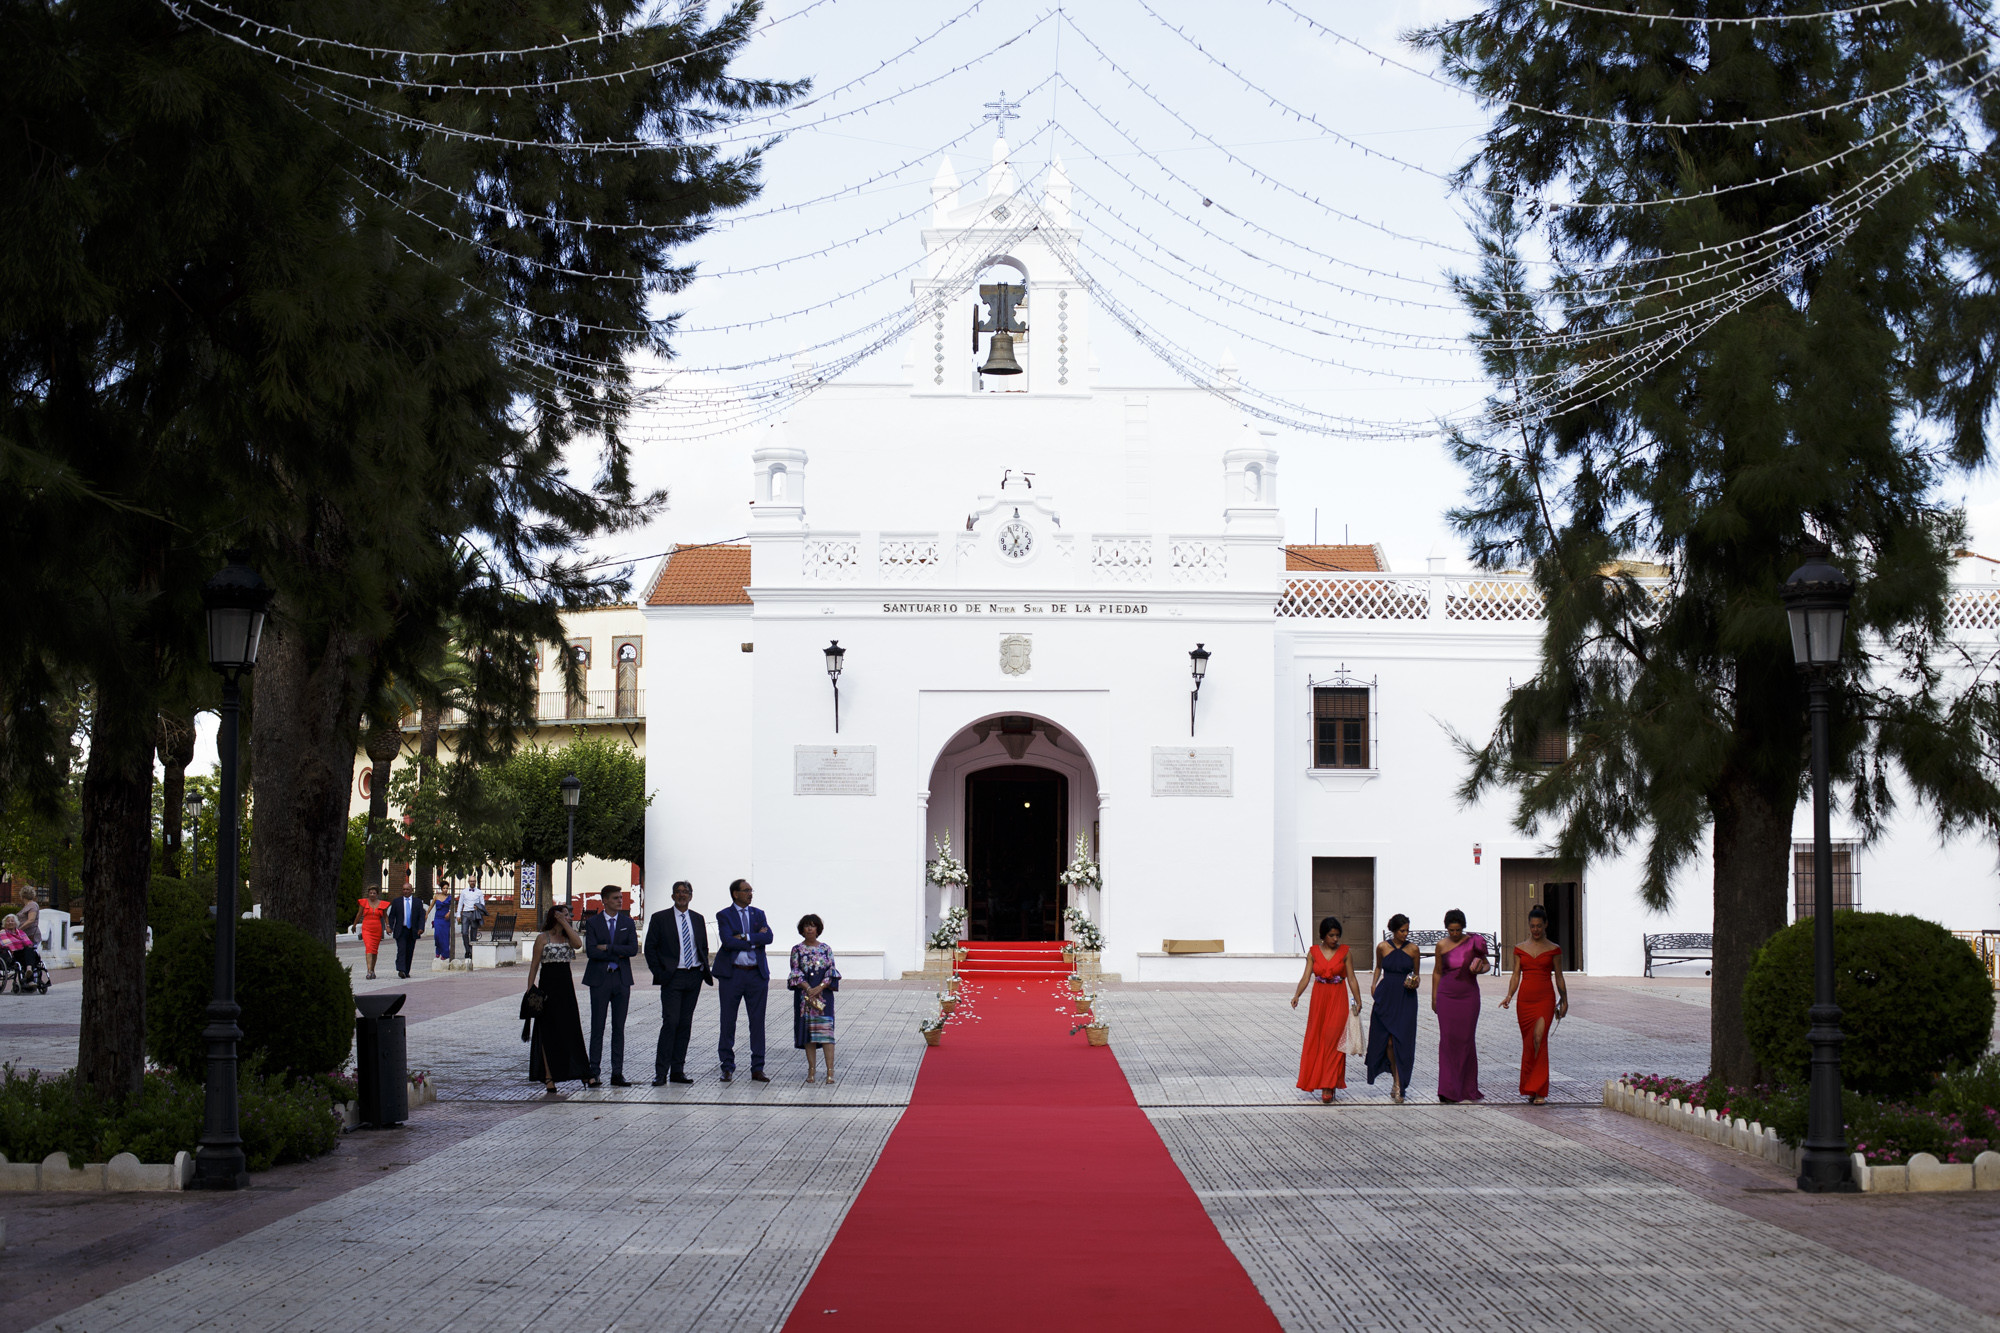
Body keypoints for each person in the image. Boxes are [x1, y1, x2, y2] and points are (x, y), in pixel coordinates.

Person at [644, 880, 712, 1085]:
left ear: (691, 896)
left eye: (686, 892)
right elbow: (650, 948)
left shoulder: (698, 919)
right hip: (672, 977)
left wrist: (701, 969)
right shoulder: (660, 918)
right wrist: (661, 972)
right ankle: (661, 1072)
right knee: (671, 1022)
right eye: (678, 892)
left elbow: (703, 946)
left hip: (694, 976)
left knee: (685, 1024)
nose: (682, 895)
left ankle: (677, 1070)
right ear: (672, 896)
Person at [1500, 904, 1569, 1104]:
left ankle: (1540, 1089)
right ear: (1529, 926)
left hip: (1545, 999)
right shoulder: (1520, 949)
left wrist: (1565, 1000)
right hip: (1525, 1001)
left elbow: (1560, 978)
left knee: (1540, 1038)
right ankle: (1530, 1087)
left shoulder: (1554, 949)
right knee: (1529, 1043)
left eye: (1539, 926)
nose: (1536, 930)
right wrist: (1509, 995)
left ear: (1545, 925)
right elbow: (1515, 975)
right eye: (1532, 926)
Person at [1290, 916, 1362, 1103]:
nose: (1335, 939)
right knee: (1319, 1039)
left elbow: (1352, 978)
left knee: (1334, 1040)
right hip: (1319, 998)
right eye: (1331, 935)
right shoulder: (1313, 952)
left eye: (1337, 935)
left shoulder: (1345, 952)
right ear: (1323, 935)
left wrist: (1358, 999)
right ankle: (1322, 1081)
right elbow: (1306, 977)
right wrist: (1297, 995)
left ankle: (1329, 1085)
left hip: (1338, 997)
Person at [526, 903, 593, 1092]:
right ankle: (548, 1076)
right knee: (547, 1031)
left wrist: (565, 924)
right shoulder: (542, 938)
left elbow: (578, 944)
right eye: (565, 915)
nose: (569, 917)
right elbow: (534, 966)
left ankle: (583, 1072)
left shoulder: (567, 937)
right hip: (548, 988)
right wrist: (530, 990)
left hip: (566, 988)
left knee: (572, 1029)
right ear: (555, 916)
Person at [713, 878, 774, 1084]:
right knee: (728, 1021)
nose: (750, 893)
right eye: (746, 890)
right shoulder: (724, 915)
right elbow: (728, 941)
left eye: (751, 890)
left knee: (757, 1022)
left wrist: (745, 937)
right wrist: (754, 937)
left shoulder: (759, 914)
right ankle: (727, 1066)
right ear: (735, 894)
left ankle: (758, 1068)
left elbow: (769, 938)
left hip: (756, 974)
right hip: (733, 974)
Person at [583, 887, 640, 1086]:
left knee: (619, 1027)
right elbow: (591, 951)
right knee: (597, 1026)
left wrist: (608, 948)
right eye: (615, 898)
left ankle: (617, 1073)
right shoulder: (593, 923)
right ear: (604, 900)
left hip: (622, 979)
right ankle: (594, 1071)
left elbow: (633, 949)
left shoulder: (627, 922)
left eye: (621, 898)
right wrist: (618, 953)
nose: (620, 901)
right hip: (600, 979)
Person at [1432, 908, 1489, 1104]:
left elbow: (1487, 964)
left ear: (1463, 927)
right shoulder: (1441, 945)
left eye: (1457, 930)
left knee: (1466, 1040)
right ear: (1446, 928)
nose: (1454, 934)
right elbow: (1437, 972)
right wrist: (1434, 997)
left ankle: (1466, 1088)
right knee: (1447, 1041)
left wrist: (1480, 968)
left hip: (1469, 995)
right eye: (1451, 930)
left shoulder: (1475, 942)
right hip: (1446, 995)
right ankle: (1447, 1089)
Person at [1367, 913, 1422, 1104]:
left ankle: (1399, 1084)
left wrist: (1414, 983)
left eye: (1407, 930)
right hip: (1386, 995)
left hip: (1406, 998)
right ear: (1394, 930)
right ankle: (1395, 1080)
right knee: (1387, 1041)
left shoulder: (1414, 949)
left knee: (1402, 1041)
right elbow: (1378, 967)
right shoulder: (1382, 947)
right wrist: (1373, 985)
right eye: (1402, 930)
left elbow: (1417, 975)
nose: (1405, 934)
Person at [788, 914, 841, 1085]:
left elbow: (831, 970)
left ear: (818, 929)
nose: (810, 929)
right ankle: (811, 1070)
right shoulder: (797, 949)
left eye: (813, 926)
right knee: (809, 1033)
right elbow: (795, 971)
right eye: (806, 926)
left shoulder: (826, 949)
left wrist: (820, 987)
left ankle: (830, 1071)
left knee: (825, 1032)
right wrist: (808, 988)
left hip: (823, 997)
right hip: (805, 997)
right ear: (802, 929)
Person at [389, 882, 425, 979]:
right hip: (401, 930)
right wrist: (390, 927)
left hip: (412, 930)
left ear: (411, 890)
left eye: (407, 889)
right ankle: (401, 969)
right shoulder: (397, 902)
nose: (405, 891)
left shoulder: (417, 902)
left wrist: (421, 928)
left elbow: (421, 916)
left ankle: (406, 970)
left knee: (409, 951)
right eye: (404, 889)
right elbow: (392, 916)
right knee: (401, 949)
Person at [355, 886, 391, 980]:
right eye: (370, 893)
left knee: (374, 950)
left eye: (374, 893)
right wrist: (354, 925)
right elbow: (359, 914)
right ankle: (369, 971)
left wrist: (387, 927)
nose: (372, 895)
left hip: (377, 928)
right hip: (366, 928)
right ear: (368, 893)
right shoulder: (364, 903)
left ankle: (373, 970)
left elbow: (385, 916)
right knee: (369, 948)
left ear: (377, 894)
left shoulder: (381, 904)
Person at [459, 879, 487, 959]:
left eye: (474, 881)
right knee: (464, 932)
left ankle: (472, 951)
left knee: (473, 934)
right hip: (465, 913)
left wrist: (478, 906)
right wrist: (458, 914)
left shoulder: (479, 892)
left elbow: (482, 904)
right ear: (468, 882)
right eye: (471, 881)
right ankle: (467, 950)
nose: (472, 882)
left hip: (474, 913)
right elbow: (460, 903)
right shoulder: (464, 892)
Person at [431, 883, 456, 962]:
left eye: (447, 888)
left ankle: (445, 954)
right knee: (437, 935)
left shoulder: (450, 898)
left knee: (445, 936)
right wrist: (426, 914)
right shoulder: (437, 897)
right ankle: (438, 950)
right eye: (444, 888)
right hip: (438, 918)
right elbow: (431, 906)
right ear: (441, 889)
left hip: (445, 919)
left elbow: (453, 907)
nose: (445, 890)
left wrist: (449, 912)